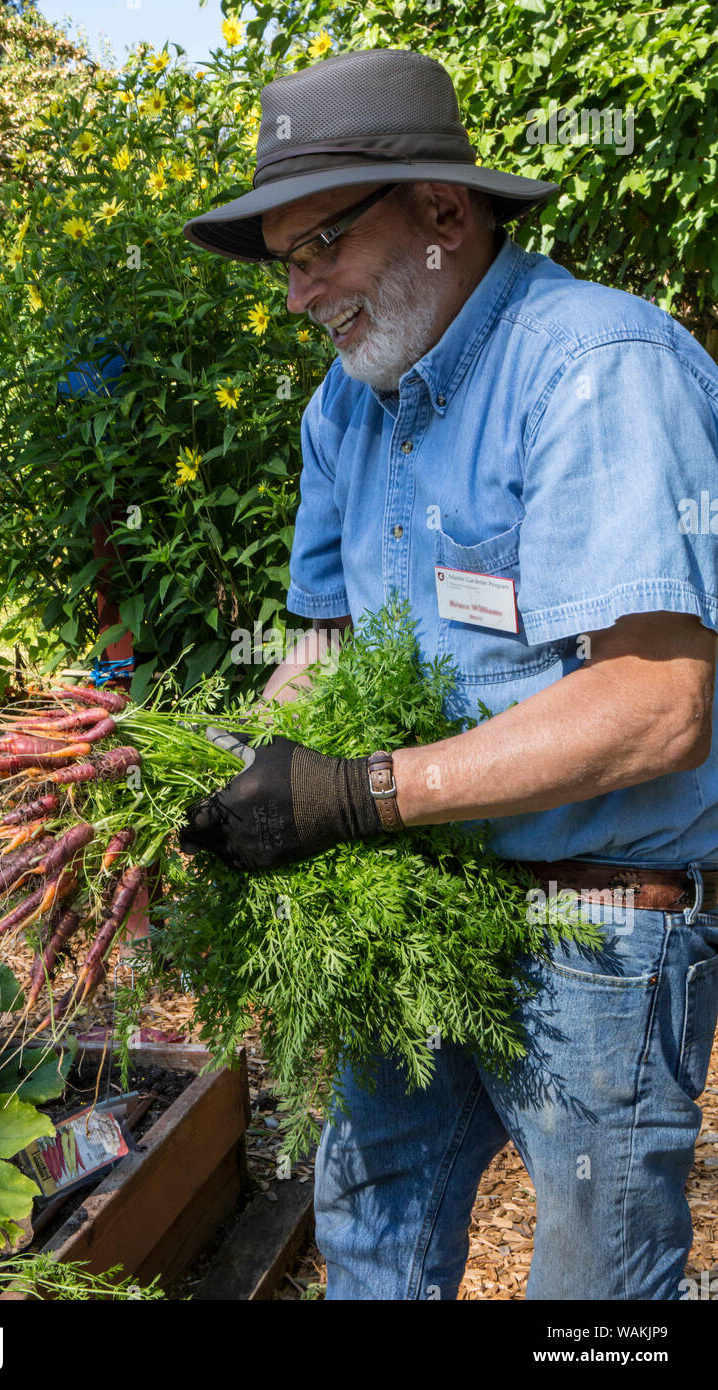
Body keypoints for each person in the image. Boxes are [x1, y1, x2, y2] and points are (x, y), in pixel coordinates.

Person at [179, 47, 718, 1300]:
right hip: (408, 911)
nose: (300, 291)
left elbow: (659, 704)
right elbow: (323, 648)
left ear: (440, 210)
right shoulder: (344, 408)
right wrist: (235, 778)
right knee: (369, 1243)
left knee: (593, 1291)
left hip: (595, 925)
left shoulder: (595, 369)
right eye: (283, 262)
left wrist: (351, 796)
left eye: (318, 244)